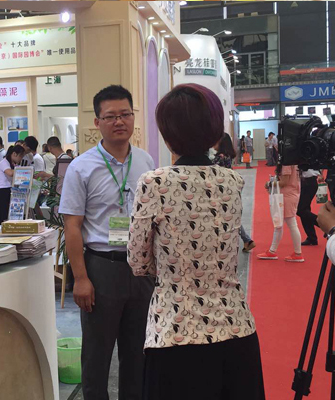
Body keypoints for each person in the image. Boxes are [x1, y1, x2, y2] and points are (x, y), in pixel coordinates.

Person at [129, 83, 265, 400]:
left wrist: (170, 269)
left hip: (175, 333)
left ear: (167, 134)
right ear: (214, 132)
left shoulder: (154, 183)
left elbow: (137, 262)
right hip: (236, 327)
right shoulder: (232, 181)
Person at [59, 85, 155, 400]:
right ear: (97, 122)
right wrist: (81, 278)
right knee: (97, 356)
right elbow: (72, 226)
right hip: (101, 268)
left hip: (141, 270)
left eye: (125, 114)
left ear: (133, 117)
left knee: (138, 353)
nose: (119, 121)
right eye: (111, 116)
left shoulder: (146, 162)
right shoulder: (81, 167)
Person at [212, 133, 256, 252]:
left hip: (221, 190)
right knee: (230, 216)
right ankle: (246, 240)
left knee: (227, 216)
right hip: (230, 187)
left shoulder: (219, 158)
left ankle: (245, 239)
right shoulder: (227, 156)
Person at [257, 163, 304, 262]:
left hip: (287, 196)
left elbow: (284, 182)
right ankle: (274, 251)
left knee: (288, 224)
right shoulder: (293, 161)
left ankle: (297, 253)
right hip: (290, 195)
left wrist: (269, 184)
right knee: (282, 224)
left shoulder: (287, 163)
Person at [0, 145, 26, 223]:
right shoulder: (4, 162)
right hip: (2, 191)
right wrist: (23, 171)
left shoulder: (13, 164)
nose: (21, 159)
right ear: (14, 154)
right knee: (3, 215)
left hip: (11, 189)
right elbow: (10, 173)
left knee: (10, 214)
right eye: (20, 156)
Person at [298, 169, 323, 246]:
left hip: (310, 182)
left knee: (300, 210)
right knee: (304, 210)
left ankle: (325, 224)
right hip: (302, 181)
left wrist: (321, 174)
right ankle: (312, 238)